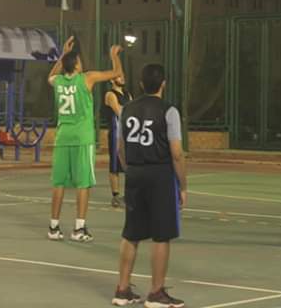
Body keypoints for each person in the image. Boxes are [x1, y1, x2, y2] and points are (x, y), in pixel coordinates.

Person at [112, 64, 187, 308]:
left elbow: (120, 149)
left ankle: (122, 290)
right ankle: (156, 293)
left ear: (141, 84)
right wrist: (183, 186)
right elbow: (177, 153)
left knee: (131, 233)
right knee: (161, 235)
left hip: (135, 173)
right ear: (163, 83)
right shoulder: (169, 111)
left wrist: (131, 169)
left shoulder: (126, 109)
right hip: (160, 175)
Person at [47, 37, 123, 242]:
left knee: (59, 183)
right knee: (83, 184)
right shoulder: (86, 78)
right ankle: (79, 229)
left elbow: (50, 76)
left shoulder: (58, 82)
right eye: (79, 61)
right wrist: (114, 56)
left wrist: (63, 54)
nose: (81, 63)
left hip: (63, 138)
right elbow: (116, 73)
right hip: (82, 138)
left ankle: (53, 227)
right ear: (76, 65)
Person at [102, 73, 133, 208]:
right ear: (112, 79)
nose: (122, 78)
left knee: (129, 164)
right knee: (115, 165)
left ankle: (128, 194)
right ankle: (115, 195)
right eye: (119, 76)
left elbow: (131, 110)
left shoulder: (127, 94)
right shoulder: (110, 95)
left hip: (128, 133)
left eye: (123, 76)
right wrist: (130, 111)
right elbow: (119, 111)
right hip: (116, 133)